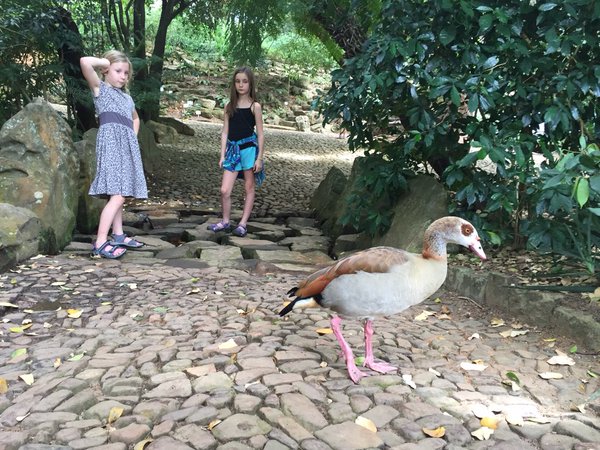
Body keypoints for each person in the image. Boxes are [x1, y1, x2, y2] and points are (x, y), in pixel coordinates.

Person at [80, 50, 148, 259]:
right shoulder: (101, 90)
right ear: (106, 71)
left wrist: (131, 137)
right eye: (118, 71)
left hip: (126, 147)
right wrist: (104, 62)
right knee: (118, 195)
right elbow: (84, 61)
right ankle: (100, 241)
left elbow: (135, 119)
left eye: (126, 73)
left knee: (120, 192)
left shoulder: (127, 99)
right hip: (110, 147)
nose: (123, 76)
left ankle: (118, 235)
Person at [208, 67, 265, 238]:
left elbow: (261, 134)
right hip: (232, 150)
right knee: (225, 190)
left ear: (250, 83)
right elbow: (225, 131)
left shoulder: (255, 107)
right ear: (234, 84)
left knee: (249, 187)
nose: (241, 85)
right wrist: (222, 155)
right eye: (238, 81)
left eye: (245, 81)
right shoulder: (229, 106)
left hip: (248, 149)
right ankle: (225, 221)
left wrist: (259, 158)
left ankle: (242, 223)